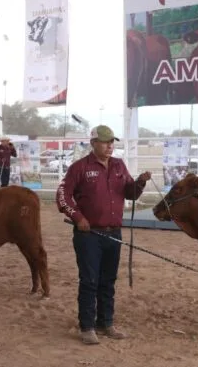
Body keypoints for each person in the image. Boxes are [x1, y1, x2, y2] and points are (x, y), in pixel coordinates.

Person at [56, 125, 152, 345]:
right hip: (89, 235)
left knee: (108, 280)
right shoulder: (79, 168)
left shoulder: (119, 166)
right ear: (93, 143)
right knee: (89, 280)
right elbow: (63, 196)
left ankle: (106, 322)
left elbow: (130, 193)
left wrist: (140, 182)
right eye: (106, 142)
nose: (110, 146)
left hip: (113, 233)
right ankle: (87, 326)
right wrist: (78, 217)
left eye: (112, 142)